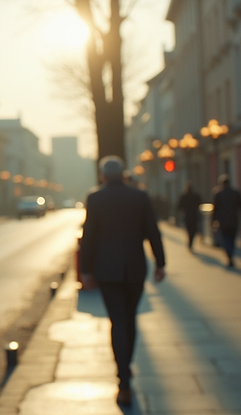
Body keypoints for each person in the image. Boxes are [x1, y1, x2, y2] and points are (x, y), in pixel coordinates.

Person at [79, 156, 166, 406]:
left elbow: (89, 236)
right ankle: (127, 367)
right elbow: (153, 231)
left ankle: (123, 379)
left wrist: (86, 270)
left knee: (117, 321)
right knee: (130, 319)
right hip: (135, 268)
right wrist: (160, 263)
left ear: (103, 175)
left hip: (106, 270)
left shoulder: (95, 198)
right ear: (124, 174)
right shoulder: (139, 196)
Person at [212, 174, 241, 268]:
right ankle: (230, 256)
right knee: (232, 239)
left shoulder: (218, 194)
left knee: (225, 240)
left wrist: (213, 221)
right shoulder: (235, 193)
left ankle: (229, 256)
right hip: (233, 221)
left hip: (223, 222)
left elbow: (215, 209)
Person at [176, 181, 203, 251]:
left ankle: (190, 241)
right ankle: (191, 241)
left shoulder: (184, 196)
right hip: (194, 216)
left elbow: (179, 206)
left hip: (187, 216)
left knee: (189, 230)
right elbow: (200, 203)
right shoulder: (196, 196)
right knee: (193, 230)